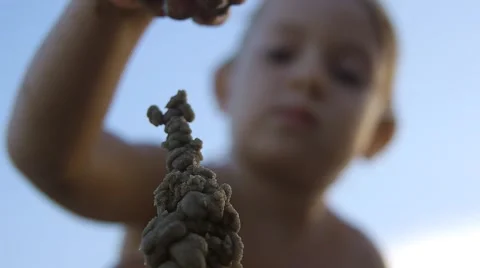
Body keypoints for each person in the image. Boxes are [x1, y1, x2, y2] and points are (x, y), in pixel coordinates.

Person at [6, 0, 398, 267]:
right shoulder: (173, 187)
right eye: (280, 53)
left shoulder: (358, 257)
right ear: (225, 86)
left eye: (347, 72)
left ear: (377, 135)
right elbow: (54, 163)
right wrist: (113, 12)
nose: (308, 77)